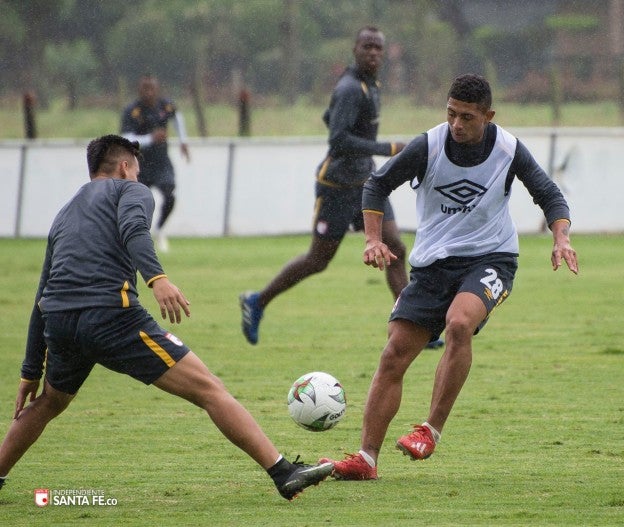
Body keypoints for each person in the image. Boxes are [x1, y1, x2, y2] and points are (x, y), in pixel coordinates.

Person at [0, 135, 333, 500]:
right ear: (126, 166)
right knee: (209, 389)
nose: (139, 177)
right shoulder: (132, 191)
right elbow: (134, 229)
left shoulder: (64, 213)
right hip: (110, 316)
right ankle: (283, 472)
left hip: (60, 321)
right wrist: (157, 279)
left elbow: (41, 293)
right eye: (137, 170)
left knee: (49, 401)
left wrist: (30, 370)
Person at [319, 73, 579, 480]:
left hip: (491, 259)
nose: (457, 124)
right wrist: (372, 238)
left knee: (459, 323)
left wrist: (561, 237)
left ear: (488, 116)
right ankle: (366, 460)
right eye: (451, 113)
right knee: (394, 354)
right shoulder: (429, 145)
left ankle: (430, 429)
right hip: (433, 266)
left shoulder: (509, 149)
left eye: (468, 117)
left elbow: (549, 194)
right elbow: (376, 185)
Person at [238, 26, 448, 348]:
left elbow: (329, 116)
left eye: (379, 47)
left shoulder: (370, 84)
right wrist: (389, 148)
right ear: (355, 50)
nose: (374, 53)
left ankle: (414, 324)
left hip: (368, 183)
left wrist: (368, 150)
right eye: (368, 47)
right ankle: (257, 301)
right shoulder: (351, 88)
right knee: (317, 260)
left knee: (394, 249)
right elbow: (337, 139)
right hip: (337, 186)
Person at [120, 75, 190, 253]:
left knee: (170, 194)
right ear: (139, 90)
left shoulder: (165, 105)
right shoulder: (133, 111)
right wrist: (150, 139)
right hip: (140, 164)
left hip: (161, 162)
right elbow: (126, 138)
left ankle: (159, 230)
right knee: (138, 203)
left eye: (152, 88)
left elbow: (177, 118)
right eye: (145, 88)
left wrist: (183, 141)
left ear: (157, 89)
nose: (149, 92)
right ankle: (134, 238)